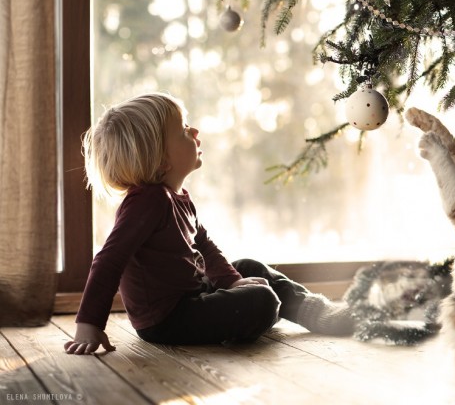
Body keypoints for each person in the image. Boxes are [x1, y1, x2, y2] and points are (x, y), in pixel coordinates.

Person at [64, 92, 354, 355]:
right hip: (168, 319)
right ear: (161, 160)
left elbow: (204, 245)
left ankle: (316, 311)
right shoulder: (146, 201)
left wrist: (234, 281)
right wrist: (89, 323)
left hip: (194, 295)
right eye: (182, 131)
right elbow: (108, 260)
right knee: (262, 299)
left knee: (249, 267)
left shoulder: (178, 197)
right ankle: (251, 315)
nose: (194, 131)